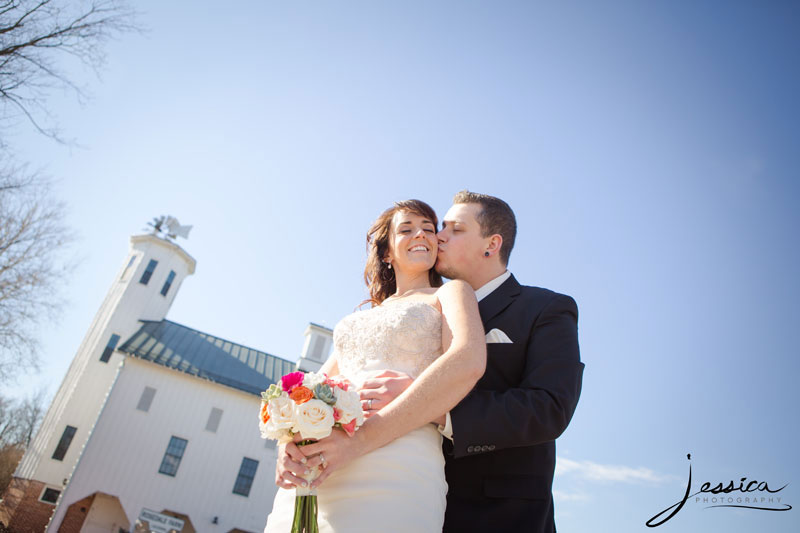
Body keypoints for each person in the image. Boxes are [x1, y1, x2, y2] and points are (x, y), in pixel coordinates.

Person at [279, 191, 584, 533]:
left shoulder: (545, 308)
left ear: (491, 244)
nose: (437, 236)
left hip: (494, 511)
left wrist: (436, 407)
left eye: (453, 229)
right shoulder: (413, 307)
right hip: (385, 482)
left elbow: (549, 407)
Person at [263, 199, 486, 532]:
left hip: (398, 465)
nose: (421, 234)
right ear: (386, 253)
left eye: (428, 228)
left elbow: (467, 358)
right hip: (324, 465)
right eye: (407, 229)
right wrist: (288, 446)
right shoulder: (359, 319)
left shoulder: (451, 293)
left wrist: (359, 441)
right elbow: (314, 388)